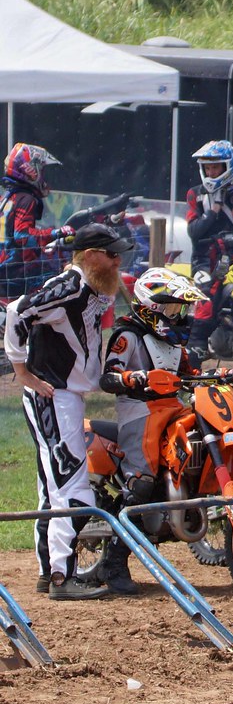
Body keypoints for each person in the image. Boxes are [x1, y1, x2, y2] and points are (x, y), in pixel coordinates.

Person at [4, 223, 133, 600]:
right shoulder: (70, 287)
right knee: (73, 489)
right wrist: (22, 370)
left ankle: (51, 572)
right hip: (54, 395)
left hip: (66, 397)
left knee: (52, 488)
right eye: (111, 255)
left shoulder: (91, 288)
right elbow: (16, 310)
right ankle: (62, 578)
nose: (118, 261)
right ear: (91, 255)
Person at [99, 268, 210, 594]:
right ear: (152, 307)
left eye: (181, 310)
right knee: (143, 484)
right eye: (174, 309)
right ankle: (114, 562)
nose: (180, 316)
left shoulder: (175, 345)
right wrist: (132, 378)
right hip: (139, 412)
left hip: (174, 408)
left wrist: (225, 374)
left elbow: (193, 375)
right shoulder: (127, 335)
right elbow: (108, 377)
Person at [185, 140, 233, 365]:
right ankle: (195, 351)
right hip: (204, 260)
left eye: (216, 167)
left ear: (227, 167)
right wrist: (213, 211)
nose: (212, 171)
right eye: (208, 167)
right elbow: (194, 231)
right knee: (203, 300)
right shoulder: (195, 194)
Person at [0, 143, 73, 297]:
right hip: (13, 274)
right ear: (30, 169)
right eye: (42, 170)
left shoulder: (8, 197)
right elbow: (22, 236)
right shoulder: (26, 199)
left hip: (5, 268)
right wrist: (56, 233)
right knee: (55, 281)